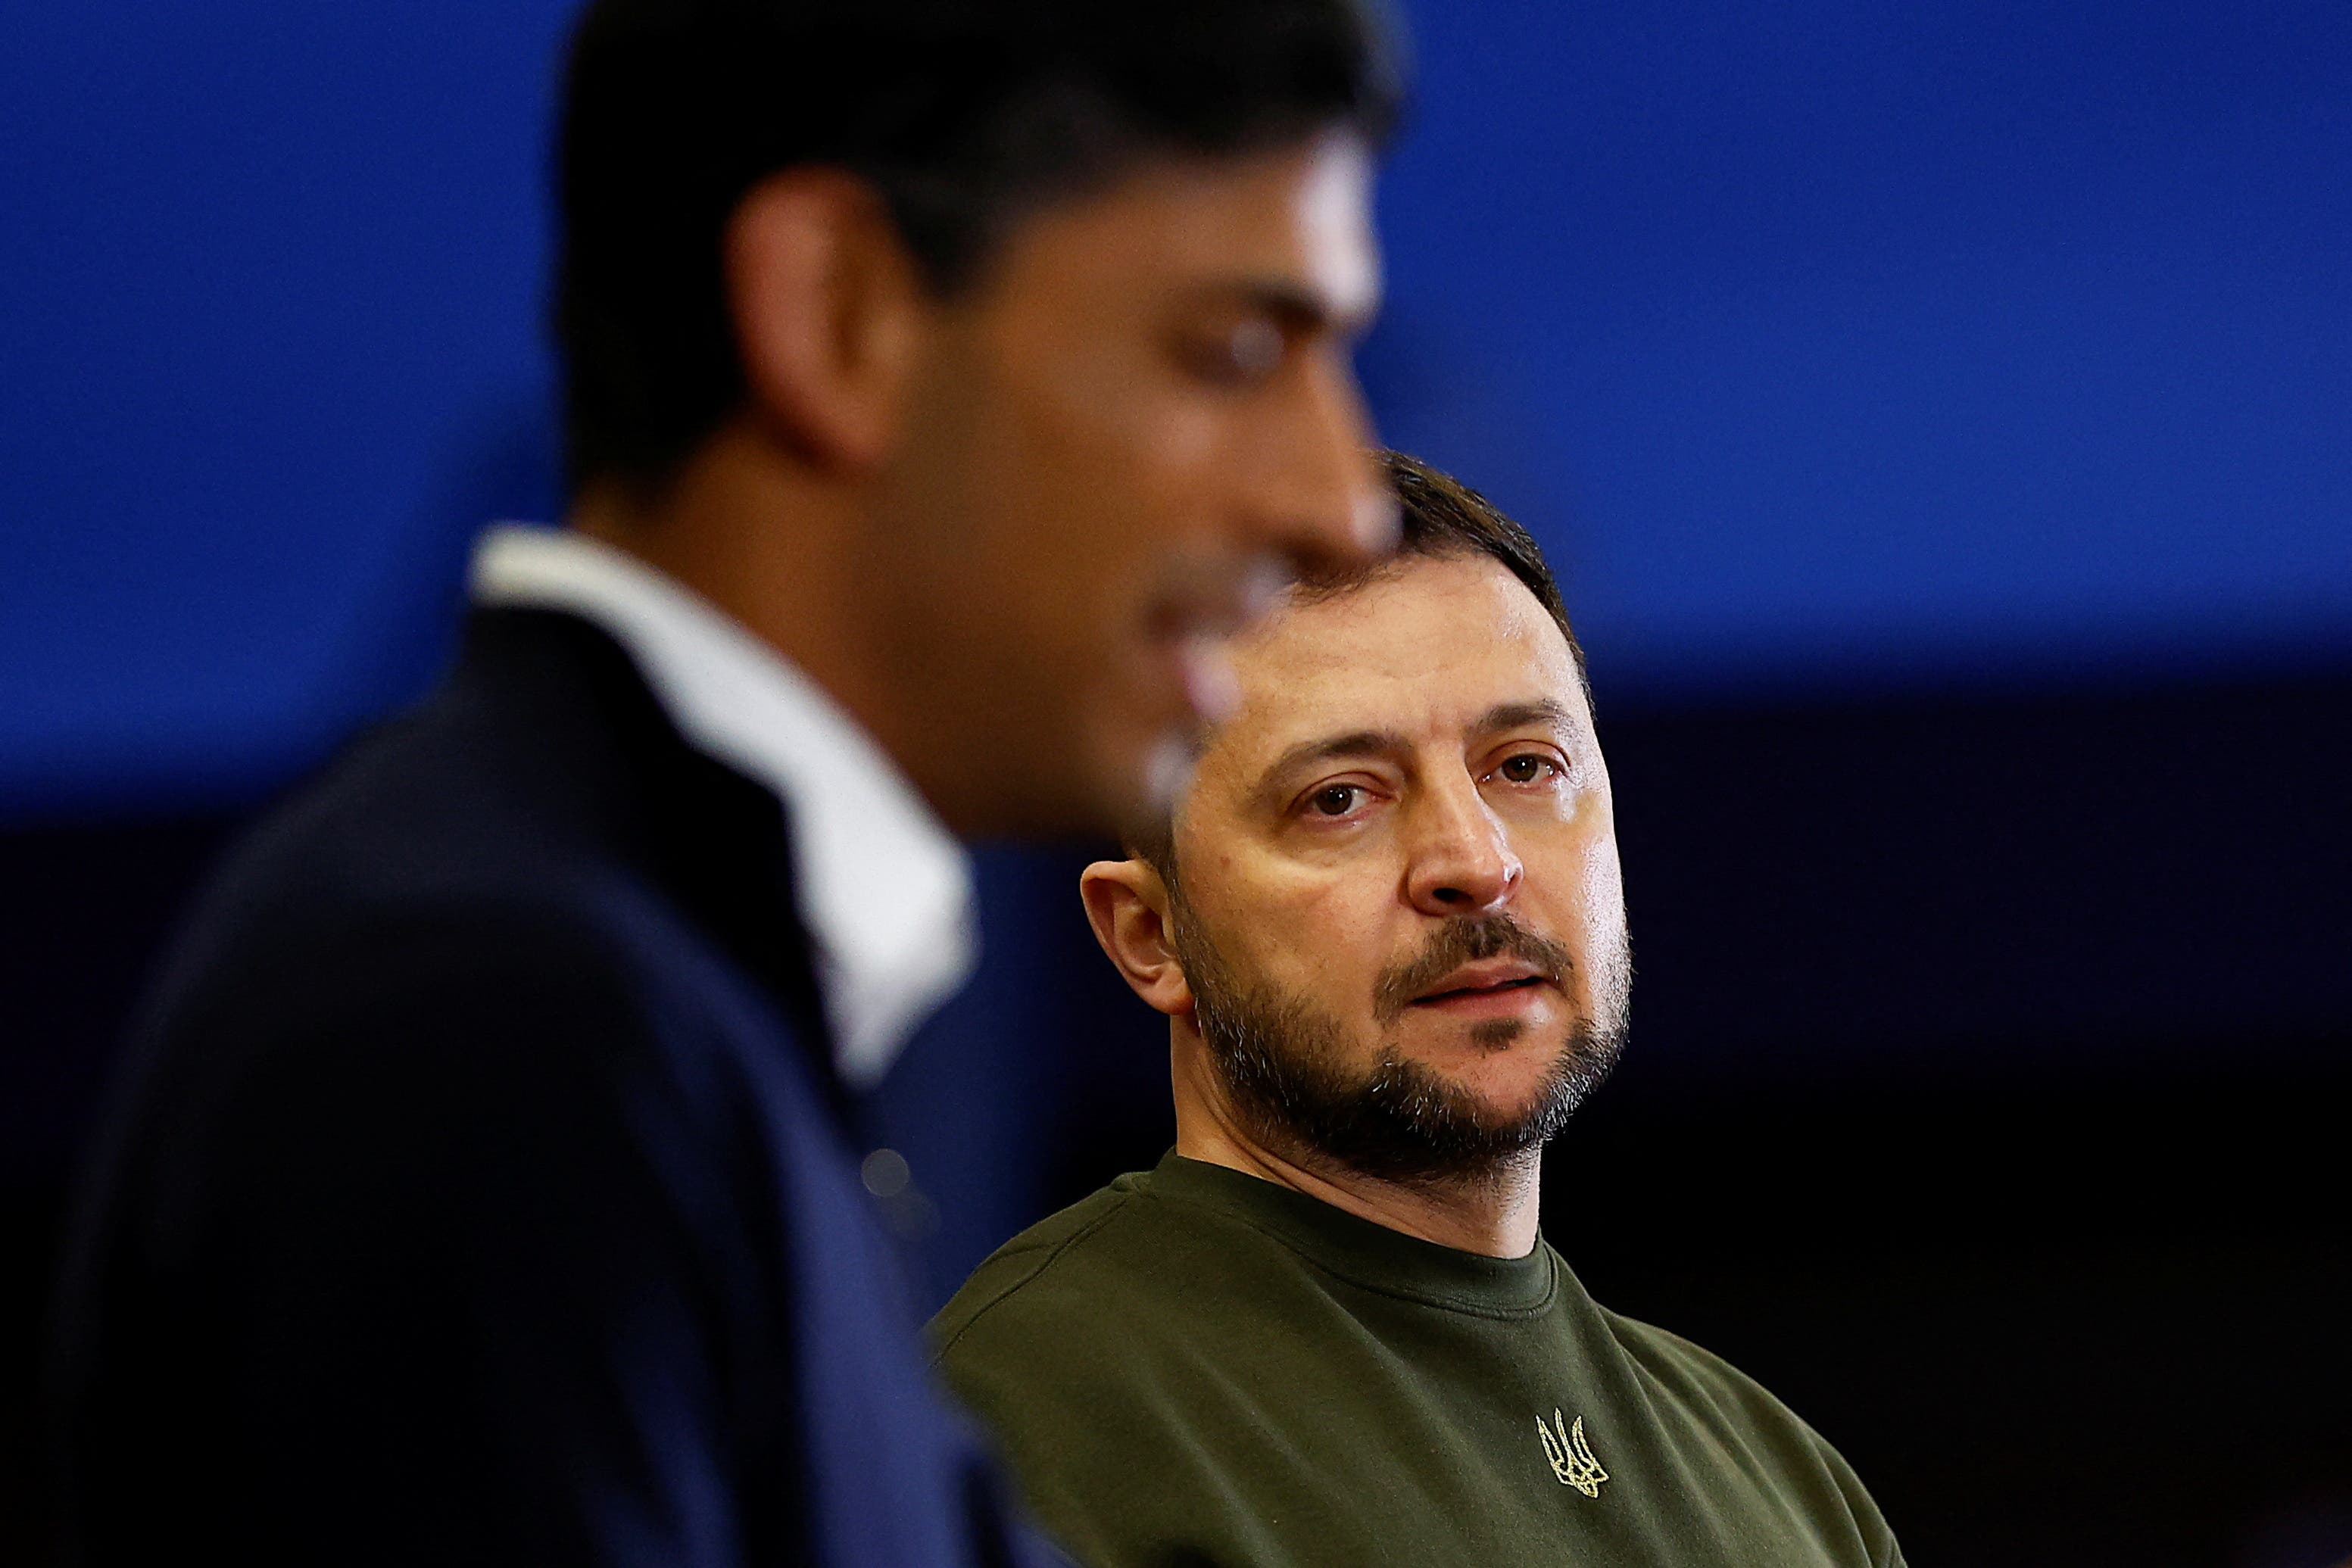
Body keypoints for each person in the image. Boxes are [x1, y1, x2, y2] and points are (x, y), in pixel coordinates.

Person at [46, 3, 1402, 1563]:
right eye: (1232, 350)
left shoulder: (651, 1010)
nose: (1337, 502)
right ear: (835, 312)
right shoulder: (493, 1030)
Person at [931, 452, 1907, 1568]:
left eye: (1524, 767)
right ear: (1149, 936)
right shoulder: (1023, 1417)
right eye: (1338, 798)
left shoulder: (1781, 1482)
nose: (1472, 861)